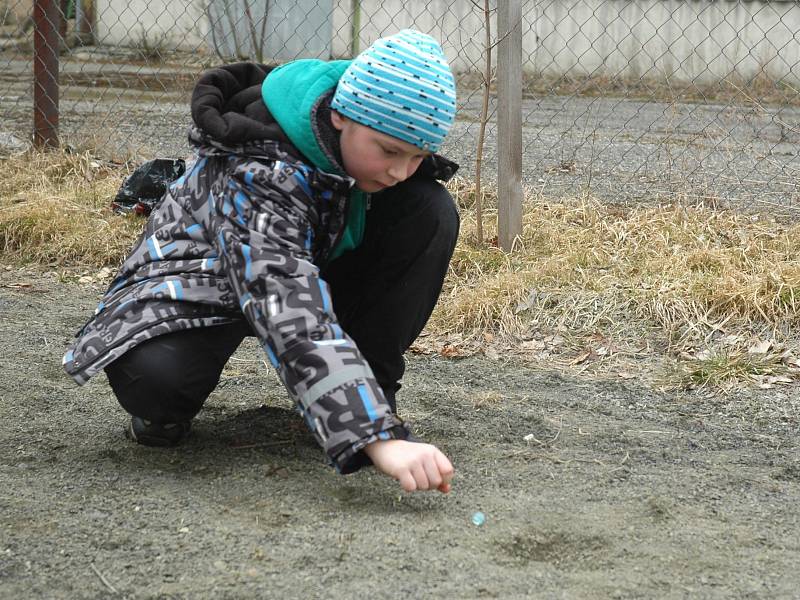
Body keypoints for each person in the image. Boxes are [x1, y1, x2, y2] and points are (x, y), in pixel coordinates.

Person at [63, 29, 460, 494]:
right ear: (339, 117)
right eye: (389, 151)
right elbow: (286, 300)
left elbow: (299, 283)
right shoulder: (261, 166)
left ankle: (367, 390)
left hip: (301, 263)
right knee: (159, 382)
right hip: (200, 281)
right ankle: (352, 416)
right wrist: (377, 438)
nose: (399, 171)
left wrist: (368, 416)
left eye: (417, 156)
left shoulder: (373, 159)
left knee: (428, 208)